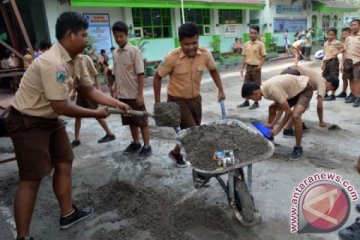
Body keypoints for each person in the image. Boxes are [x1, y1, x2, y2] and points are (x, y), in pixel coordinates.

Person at [6, 12, 131, 240]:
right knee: (32, 177)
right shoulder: (53, 63)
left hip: (49, 119)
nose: (86, 39)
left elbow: (88, 89)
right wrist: (95, 113)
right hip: (27, 121)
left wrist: (116, 103)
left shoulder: (78, 59)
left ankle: (68, 214)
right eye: (83, 35)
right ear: (69, 35)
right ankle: (22, 236)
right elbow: (61, 105)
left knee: (64, 161)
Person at [153, 22, 225, 167]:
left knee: (192, 131)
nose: (191, 47)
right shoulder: (172, 57)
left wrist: (221, 90)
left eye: (194, 43)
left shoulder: (204, 54)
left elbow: (213, 70)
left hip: (195, 99)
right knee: (194, 134)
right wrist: (158, 103)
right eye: (187, 44)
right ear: (180, 42)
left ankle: (175, 153)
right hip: (177, 101)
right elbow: (157, 77)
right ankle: (200, 168)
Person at [241, 74, 313, 160]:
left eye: (251, 98)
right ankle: (269, 136)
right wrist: (272, 124)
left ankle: (298, 148)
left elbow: (288, 112)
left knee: (296, 116)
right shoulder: (265, 91)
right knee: (272, 108)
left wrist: (278, 130)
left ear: (255, 93)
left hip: (305, 88)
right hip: (293, 91)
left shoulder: (272, 90)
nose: (253, 100)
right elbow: (281, 108)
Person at [112, 21, 152, 160]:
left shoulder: (135, 52)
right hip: (122, 95)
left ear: (127, 35)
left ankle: (147, 146)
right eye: (116, 36)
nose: (119, 39)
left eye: (121, 36)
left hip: (135, 94)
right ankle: (136, 143)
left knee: (142, 121)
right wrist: (115, 89)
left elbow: (140, 74)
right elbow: (116, 73)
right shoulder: (115, 53)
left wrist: (140, 94)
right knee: (130, 120)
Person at [280, 65, 339, 143]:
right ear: (329, 83)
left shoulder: (316, 78)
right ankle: (288, 129)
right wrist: (321, 121)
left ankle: (293, 125)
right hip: (294, 75)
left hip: (286, 73)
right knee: (302, 105)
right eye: (330, 89)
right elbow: (319, 106)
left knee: (301, 103)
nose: (327, 91)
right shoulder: (322, 82)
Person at [70, 54, 116, 148]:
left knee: (96, 114)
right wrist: (74, 91)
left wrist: (98, 90)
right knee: (77, 115)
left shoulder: (86, 58)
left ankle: (110, 134)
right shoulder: (70, 60)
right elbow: (75, 79)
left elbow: (95, 74)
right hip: (80, 92)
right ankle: (76, 139)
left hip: (89, 91)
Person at [238, 25, 267, 110]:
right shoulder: (246, 44)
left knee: (256, 85)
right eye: (251, 33)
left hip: (256, 68)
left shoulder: (260, 44)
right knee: (246, 85)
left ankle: (256, 102)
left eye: (255, 33)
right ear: (249, 34)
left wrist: (259, 66)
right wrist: (242, 68)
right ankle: (246, 101)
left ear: (257, 34)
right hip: (248, 68)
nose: (253, 35)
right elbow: (244, 57)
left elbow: (264, 56)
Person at [321, 28, 344, 101]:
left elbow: (344, 48)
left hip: (334, 62)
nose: (330, 36)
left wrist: (337, 53)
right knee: (324, 77)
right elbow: (324, 53)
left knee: (334, 78)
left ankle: (333, 95)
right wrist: (322, 63)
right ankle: (325, 93)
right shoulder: (325, 43)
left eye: (332, 35)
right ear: (326, 35)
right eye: (329, 35)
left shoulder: (338, 42)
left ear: (335, 35)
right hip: (326, 61)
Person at [342, 19, 360, 107]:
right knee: (350, 79)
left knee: (357, 79)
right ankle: (353, 95)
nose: (353, 26)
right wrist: (342, 63)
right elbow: (345, 51)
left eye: (355, 25)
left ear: (359, 26)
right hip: (348, 61)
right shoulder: (348, 38)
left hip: (357, 61)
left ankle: (358, 97)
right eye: (352, 25)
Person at [337, 27, 352, 99]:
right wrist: (342, 64)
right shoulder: (344, 42)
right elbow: (343, 54)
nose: (343, 36)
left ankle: (353, 93)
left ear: (350, 33)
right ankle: (344, 92)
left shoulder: (353, 42)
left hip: (353, 62)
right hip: (346, 62)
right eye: (342, 34)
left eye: (345, 34)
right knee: (344, 78)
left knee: (353, 79)